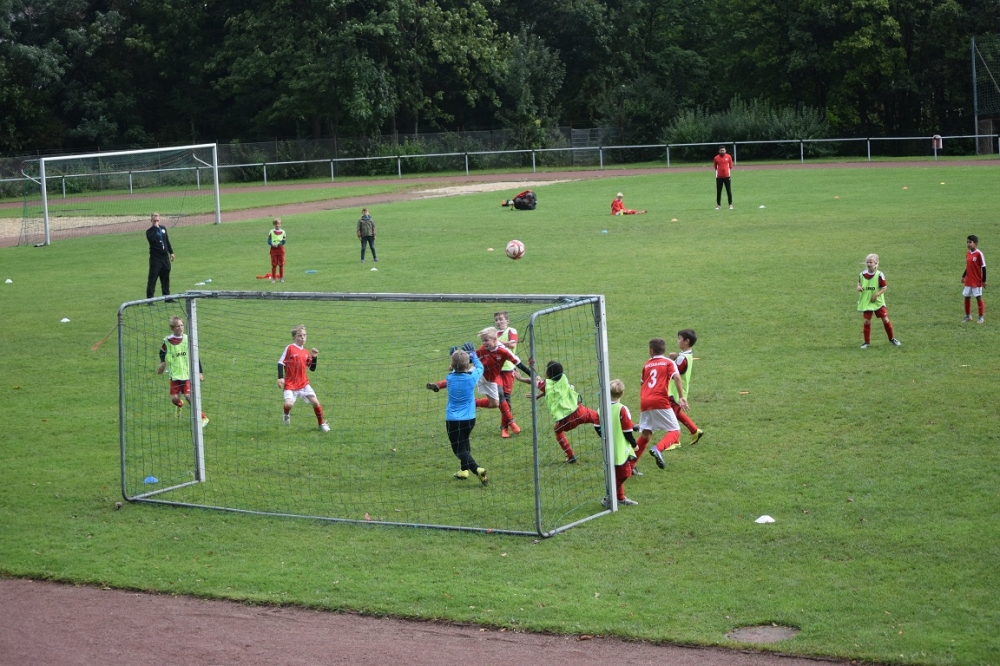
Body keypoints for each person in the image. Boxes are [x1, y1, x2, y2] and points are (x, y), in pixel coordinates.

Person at [427, 327, 531, 437]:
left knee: (495, 404)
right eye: (482, 341)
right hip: (478, 372)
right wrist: (455, 364)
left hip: (491, 378)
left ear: (495, 339)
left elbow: (518, 363)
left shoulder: (503, 350)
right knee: (462, 379)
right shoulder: (483, 348)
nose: (484, 343)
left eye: (486, 340)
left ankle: (475, 403)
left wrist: (533, 375)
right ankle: (438, 385)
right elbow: (471, 358)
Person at [521, 361, 600, 463]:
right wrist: (539, 395)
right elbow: (548, 387)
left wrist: (520, 378)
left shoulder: (546, 385)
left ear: (548, 374)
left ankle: (571, 456)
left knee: (557, 431)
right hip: (579, 412)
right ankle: (610, 433)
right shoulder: (563, 378)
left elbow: (532, 381)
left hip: (566, 421)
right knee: (599, 417)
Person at [635, 338, 688, 470]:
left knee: (646, 434)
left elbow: (642, 383)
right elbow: (677, 377)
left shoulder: (647, 364)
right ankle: (658, 449)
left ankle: (629, 465)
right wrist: (682, 397)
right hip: (660, 400)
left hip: (645, 401)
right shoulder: (668, 362)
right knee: (675, 431)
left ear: (651, 351)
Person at [444, 343, 488, 485]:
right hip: (470, 418)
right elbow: (480, 367)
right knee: (464, 441)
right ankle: (463, 471)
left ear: (452, 365)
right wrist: (473, 355)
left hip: (453, 420)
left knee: (458, 449)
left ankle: (477, 469)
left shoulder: (449, 378)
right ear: (468, 365)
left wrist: (453, 357)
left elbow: (453, 371)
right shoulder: (472, 377)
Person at [156, 316, 208, 427]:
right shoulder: (167, 341)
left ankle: (203, 418)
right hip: (174, 375)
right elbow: (162, 351)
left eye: (181, 325)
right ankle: (180, 404)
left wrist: (199, 372)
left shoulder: (188, 339)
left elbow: (196, 356)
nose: (180, 328)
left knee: (188, 396)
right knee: (174, 399)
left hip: (187, 374)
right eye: (177, 326)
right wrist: (162, 362)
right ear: (172, 328)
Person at [277, 325, 330, 431]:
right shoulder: (290, 348)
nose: (302, 337)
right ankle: (286, 413)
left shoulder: (306, 352)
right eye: (299, 335)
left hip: (303, 384)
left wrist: (314, 357)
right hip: (290, 384)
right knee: (289, 404)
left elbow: (312, 368)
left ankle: (322, 424)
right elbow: (280, 363)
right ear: (294, 338)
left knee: (315, 402)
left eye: (304, 335)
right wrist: (281, 378)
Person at [598, 379, 639, 507]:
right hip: (620, 448)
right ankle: (608, 497)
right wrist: (634, 444)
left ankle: (620, 498)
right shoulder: (622, 409)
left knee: (615, 471)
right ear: (622, 393)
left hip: (608, 447)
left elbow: (597, 426)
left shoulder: (601, 408)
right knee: (625, 473)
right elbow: (627, 431)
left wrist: (604, 437)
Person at [668, 329, 704, 445]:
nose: (677, 341)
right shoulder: (686, 355)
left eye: (679, 339)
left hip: (676, 391)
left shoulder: (682, 358)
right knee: (676, 413)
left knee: (670, 416)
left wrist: (670, 360)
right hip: (680, 390)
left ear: (686, 341)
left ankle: (674, 441)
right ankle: (695, 431)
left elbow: (673, 373)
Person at [856, 253, 901, 348]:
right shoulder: (862, 274)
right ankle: (866, 342)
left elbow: (884, 287)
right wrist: (858, 287)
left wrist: (876, 295)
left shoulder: (879, 274)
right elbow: (859, 283)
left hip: (878, 302)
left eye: (871, 262)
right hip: (867, 301)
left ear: (876, 263)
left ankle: (892, 339)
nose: (869, 264)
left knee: (885, 319)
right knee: (867, 321)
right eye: (867, 262)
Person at [494, 311, 520, 439]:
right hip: (496, 369)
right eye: (496, 320)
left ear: (507, 320)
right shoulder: (493, 333)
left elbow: (513, 344)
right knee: (500, 396)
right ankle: (508, 424)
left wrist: (497, 342)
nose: (498, 322)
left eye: (501, 319)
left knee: (506, 398)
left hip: (508, 368)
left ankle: (505, 427)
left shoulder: (511, 331)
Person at [145, 212, 174, 299]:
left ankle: (167, 296)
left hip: (164, 257)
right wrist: (155, 228)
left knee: (165, 277)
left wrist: (171, 252)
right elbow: (152, 239)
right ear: (151, 221)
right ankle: (150, 298)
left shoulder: (163, 229)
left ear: (160, 220)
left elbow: (166, 241)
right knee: (153, 277)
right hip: (155, 258)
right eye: (154, 221)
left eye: (157, 220)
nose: (156, 222)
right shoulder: (149, 232)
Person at [961, 235, 986, 323]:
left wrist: (983, 280)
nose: (968, 244)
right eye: (967, 242)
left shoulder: (979, 254)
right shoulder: (968, 254)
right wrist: (963, 276)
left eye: (970, 242)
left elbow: (983, 267)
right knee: (966, 297)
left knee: (978, 297)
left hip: (976, 280)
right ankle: (968, 316)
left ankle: (981, 317)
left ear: (975, 243)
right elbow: (968, 267)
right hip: (969, 279)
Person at [713, 146, 734, 210]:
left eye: (723, 150)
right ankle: (718, 205)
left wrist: (727, 172)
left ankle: (730, 205)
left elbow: (730, 166)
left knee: (728, 191)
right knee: (719, 191)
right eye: (721, 150)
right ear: (719, 151)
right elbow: (715, 167)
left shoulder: (728, 157)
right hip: (719, 177)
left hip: (727, 177)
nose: (722, 151)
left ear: (725, 150)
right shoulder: (716, 158)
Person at [267, 218, 286, 283]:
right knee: (274, 264)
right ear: (274, 224)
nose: (277, 225)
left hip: (280, 249)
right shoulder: (271, 232)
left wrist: (278, 244)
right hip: (273, 250)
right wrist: (272, 244)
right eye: (276, 224)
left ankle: (281, 277)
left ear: (280, 224)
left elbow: (284, 241)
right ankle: (273, 278)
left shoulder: (283, 232)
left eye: (278, 224)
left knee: (281, 264)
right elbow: (268, 240)